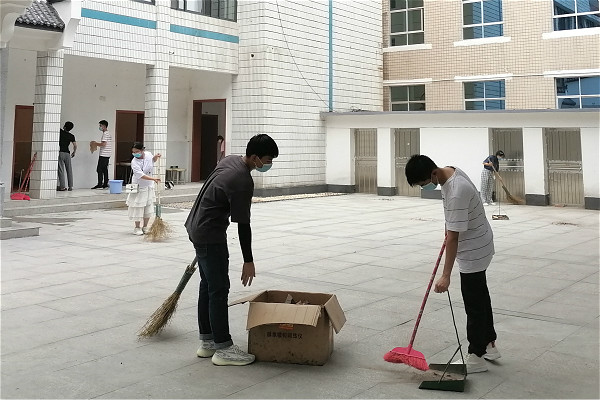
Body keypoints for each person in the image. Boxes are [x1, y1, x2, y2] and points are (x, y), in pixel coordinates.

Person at [185, 134, 279, 366]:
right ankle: (223, 348)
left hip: (196, 226)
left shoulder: (230, 160)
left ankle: (208, 342)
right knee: (218, 289)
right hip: (210, 235)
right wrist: (248, 260)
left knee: (208, 286)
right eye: (267, 160)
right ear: (255, 157)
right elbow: (243, 225)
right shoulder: (242, 181)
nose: (268, 164)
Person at [405, 154, 500, 374]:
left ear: (433, 173)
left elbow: (454, 238)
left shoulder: (456, 190)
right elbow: (453, 223)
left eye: (424, 183)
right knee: (481, 297)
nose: (425, 188)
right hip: (480, 241)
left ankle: (476, 356)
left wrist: (445, 275)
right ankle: (489, 345)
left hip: (474, 250)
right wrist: (449, 228)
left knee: (473, 305)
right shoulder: (449, 172)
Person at [127, 142, 161, 235]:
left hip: (149, 186)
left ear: (142, 150)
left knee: (148, 206)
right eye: (133, 152)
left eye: (137, 151)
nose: (135, 154)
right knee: (138, 206)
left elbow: (152, 161)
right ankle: (137, 227)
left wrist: (156, 157)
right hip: (139, 186)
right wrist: (153, 179)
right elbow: (140, 175)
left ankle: (145, 226)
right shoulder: (134, 162)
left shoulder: (148, 154)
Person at [91, 120, 112, 189]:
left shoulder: (105, 134)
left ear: (104, 126)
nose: (99, 127)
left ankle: (100, 184)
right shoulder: (108, 133)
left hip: (104, 154)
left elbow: (103, 144)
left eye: (100, 125)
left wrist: (95, 143)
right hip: (108, 154)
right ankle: (105, 184)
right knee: (105, 169)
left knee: (99, 169)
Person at [57, 121, 77, 191]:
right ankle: (70, 186)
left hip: (61, 153)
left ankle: (62, 187)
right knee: (69, 170)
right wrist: (74, 152)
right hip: (67, 154)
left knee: (61, 170)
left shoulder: (61, 132)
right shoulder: (71, 136)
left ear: (64, 127)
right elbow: (75, 145)